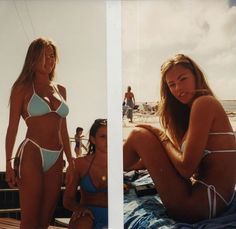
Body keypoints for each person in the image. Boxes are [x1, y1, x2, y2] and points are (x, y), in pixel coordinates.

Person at [123, 54, 236, 222]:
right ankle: (111, 172)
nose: (178, 88)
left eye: (183, 79)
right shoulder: (195, 109)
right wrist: (147, 161)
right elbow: (177, 161)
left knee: (138, 135)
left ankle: (106, 174)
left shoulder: (204, 103)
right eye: (172, 84)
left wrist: (161, 136)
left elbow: (185, 169)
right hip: (213, 201)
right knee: (140, 139)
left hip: (201, 205)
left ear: (196, 76)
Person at [5, 37, 73, 228]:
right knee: (30, 219)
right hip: (32, 152)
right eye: (45, 56)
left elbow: (64, 127)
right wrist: (9, 162)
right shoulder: (21, 88)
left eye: (52, 56)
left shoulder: (61, 90)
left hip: (57, 155)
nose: (50, 60)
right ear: (33, 59)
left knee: (45, 219)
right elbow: (12, 128)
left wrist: (71, 159)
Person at [63, 119, 108, 229]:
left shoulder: (121, 163)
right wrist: (79, 209)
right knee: (83, 224)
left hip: (115, 215)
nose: (109, 140)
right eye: (103, 136)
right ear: (93, 139)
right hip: (87, 215)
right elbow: (67, 200)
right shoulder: (79, 164)